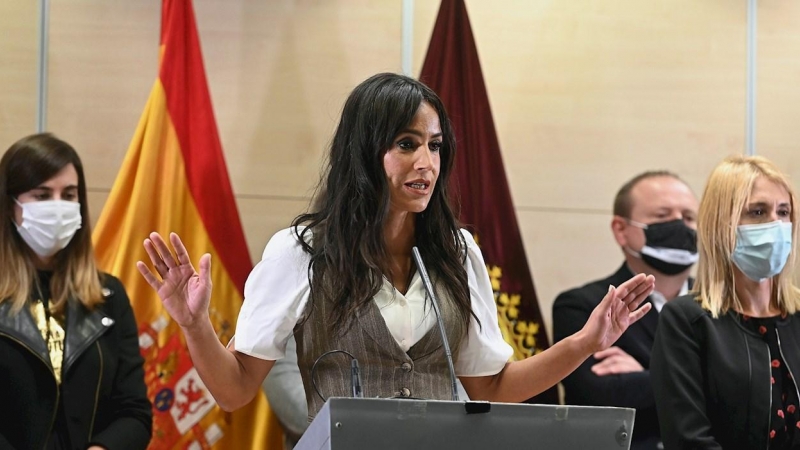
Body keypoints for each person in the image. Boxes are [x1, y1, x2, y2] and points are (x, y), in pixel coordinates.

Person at [137, 73, 655, 423]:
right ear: (365, 153)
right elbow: (235, 390)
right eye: (406, 144)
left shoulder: (457, 251)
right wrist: (194, 323)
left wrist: (587, 341)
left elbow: (491, 388)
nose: (426, 162)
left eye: (434, 145)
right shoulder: (302, 251)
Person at [0, 133, 152, 449]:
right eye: (41, 196)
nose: (58, 207)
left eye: (68, 195)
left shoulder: (108, 295)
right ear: (9, 206)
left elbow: (134, 414)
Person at [651, 155, 800, 450]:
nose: (775, 224)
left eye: (784, 212)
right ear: (721, 225)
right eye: (757, 212)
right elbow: (688, 439)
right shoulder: (687, 321)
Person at [552, 170, 698, 450]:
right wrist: (703, 376)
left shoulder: (724, 306)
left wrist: (648, 374)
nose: (679, 226)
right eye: (662, 216)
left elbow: (747, 393)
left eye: (689, 218)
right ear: (621, 229)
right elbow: (599, 394)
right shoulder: (584, 306)